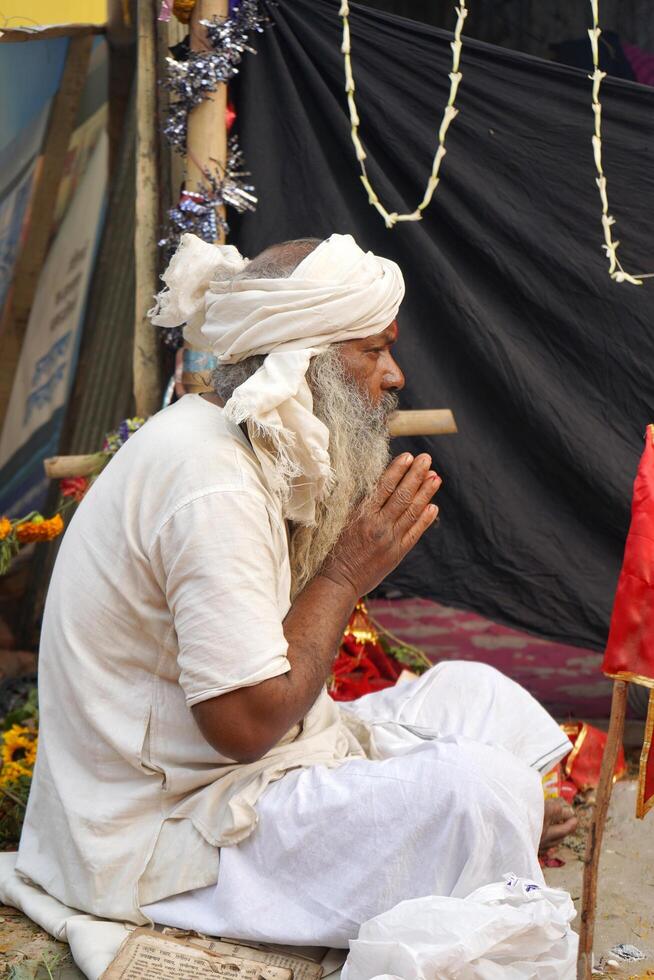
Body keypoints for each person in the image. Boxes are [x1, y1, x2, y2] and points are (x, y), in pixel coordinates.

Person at [16, 233, 575, 948]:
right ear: (303, 358)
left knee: (477, 694)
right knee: (478, 789)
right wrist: (344, 574)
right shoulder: (210, 479)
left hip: (248, 776)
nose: (396, 375)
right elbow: (245, 727)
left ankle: (508, 818)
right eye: (373, 350)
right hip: (170, 836)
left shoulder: (244, 443)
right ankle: (508, 819)